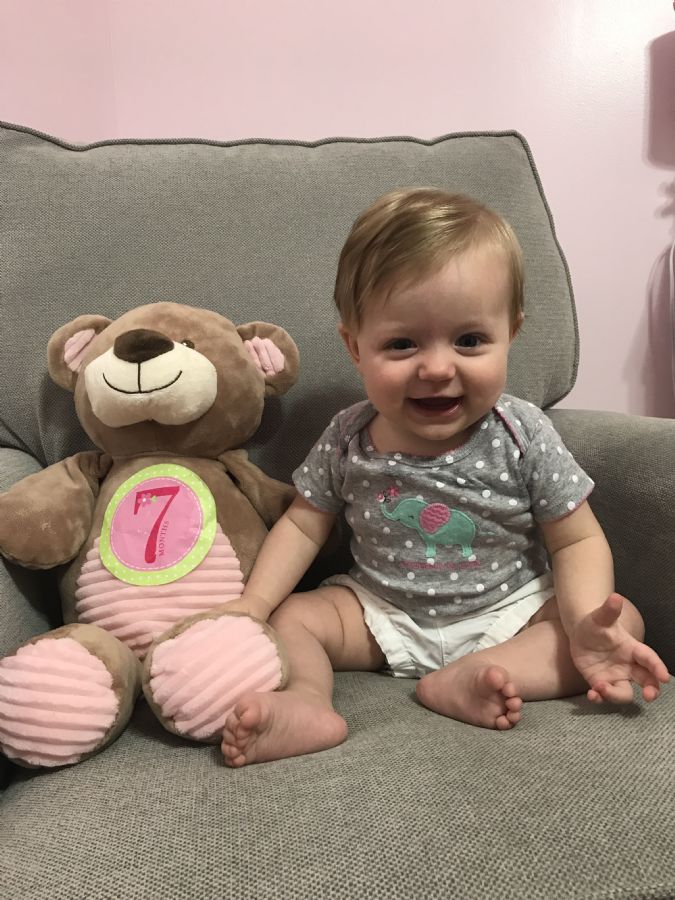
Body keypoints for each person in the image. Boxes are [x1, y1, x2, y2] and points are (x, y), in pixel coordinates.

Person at [221, 188, 669, 767]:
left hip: (508, 613)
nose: (436, 367)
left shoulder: (521, 433)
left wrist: (585, 621)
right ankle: (307, 701)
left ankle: (479, 674)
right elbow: (305, 526)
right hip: (381, 614)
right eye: (402, 344)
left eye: (469, 340)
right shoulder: (347, 436)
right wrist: (253, 604)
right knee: (295, 618)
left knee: (620, 620)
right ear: (355, 346)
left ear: (511, 332)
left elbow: (576, 540)